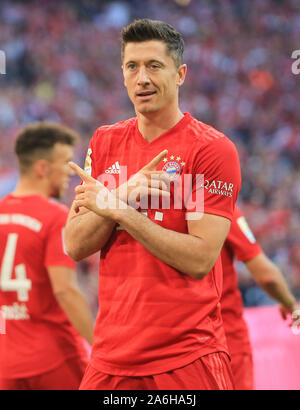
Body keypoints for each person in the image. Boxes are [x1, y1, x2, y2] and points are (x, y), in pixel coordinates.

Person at [65, 18, 241, 390]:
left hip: (186, 358)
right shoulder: (104, 140)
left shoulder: (208, 149)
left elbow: (199, 260)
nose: (142, 78)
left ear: (180, 74)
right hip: (110, 359)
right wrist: (124, 194)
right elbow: (75, 244)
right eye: (132, 67)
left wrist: (119, 210)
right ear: (123, 75)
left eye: (154, 66)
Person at [0, 122, 94, 390]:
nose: (70, 171)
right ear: (42, 168)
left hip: (7, 362)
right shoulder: (54, 216)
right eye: (65, 162)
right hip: (55, 357)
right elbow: (65, 291)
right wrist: (99, 346)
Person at [221, 205, 299, 390]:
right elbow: (266, 274)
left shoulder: (152, 210)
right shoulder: (217, 205)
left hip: (173, 343)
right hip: (225, 340)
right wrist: (289, 303)